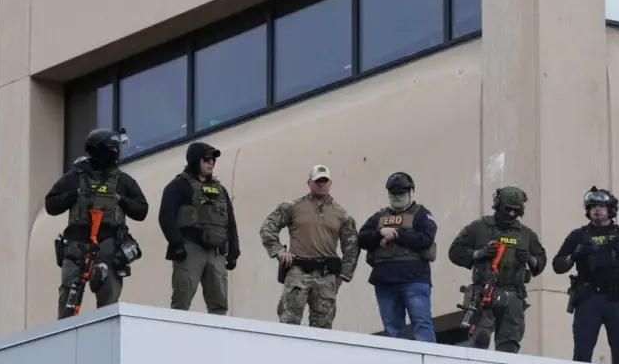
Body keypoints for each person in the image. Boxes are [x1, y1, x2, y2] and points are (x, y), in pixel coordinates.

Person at [45, 128, 148, 320]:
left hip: (109, 246)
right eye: (113, 148)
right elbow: (51, 204)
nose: (116, 152)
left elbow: (142, 210)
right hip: (77, 246)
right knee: (68, 297)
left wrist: (121, 200)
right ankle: (65, 338)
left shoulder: (123, 181)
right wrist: (74, 195)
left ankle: (105, 338)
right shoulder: (75, 176)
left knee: (109, 299)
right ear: (100, 150)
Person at [552, 187, 619, 364]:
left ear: (610, 209)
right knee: (582, 350)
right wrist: (575, 255)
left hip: (617, 299)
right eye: (593, 206)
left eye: (601, 206)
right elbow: (558, 266)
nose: (597, 210)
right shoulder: (578, 236)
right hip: (588, 298)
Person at [259, 164, 360, 328]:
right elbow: (267, 227)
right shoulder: (293, 207)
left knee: (323, 325)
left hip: (326, 274)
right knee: (289, 321)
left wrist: (343, 275)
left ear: (330, 183)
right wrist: (279, 251)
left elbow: (352, 245)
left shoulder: (342, 214)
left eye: (325, 181)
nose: (322, 184)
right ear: (309, 183)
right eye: (318, 181)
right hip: (298, 271)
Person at [448, 186, 547, 352]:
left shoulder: (527, 235)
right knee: (479, 340)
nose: (511, 214)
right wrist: (478, 253)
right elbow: (454, 252)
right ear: (498, 205)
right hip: (485, 293)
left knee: (509, 345)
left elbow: (541, 260)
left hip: (514, 294)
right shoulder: (478, 227)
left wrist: (531, 259)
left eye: (515, 211)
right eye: (507, 209)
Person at [158, 141, 240, 315]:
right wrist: (178, 245)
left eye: (213, 160)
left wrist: (233, 251)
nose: (211, 163)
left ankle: (217, 339)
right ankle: (177, 337)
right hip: (190, 249)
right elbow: (166, 218)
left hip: (217, 251)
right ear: (195, 161)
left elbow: (230, 222)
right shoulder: (178, 186)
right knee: (182, 301)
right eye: (206, 159)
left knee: (219, 305)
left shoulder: (220, 190)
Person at [358, 172, 438, 342]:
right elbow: (362, 238)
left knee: (422, 325)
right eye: (393, 193)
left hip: (414, 280)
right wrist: (380, 233)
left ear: (410, 192)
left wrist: (397, 234)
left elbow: (425, 239)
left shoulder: (421, 214)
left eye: (401, 192)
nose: (397, 196)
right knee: (392, 329)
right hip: (385, 281)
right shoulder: (379, 217)